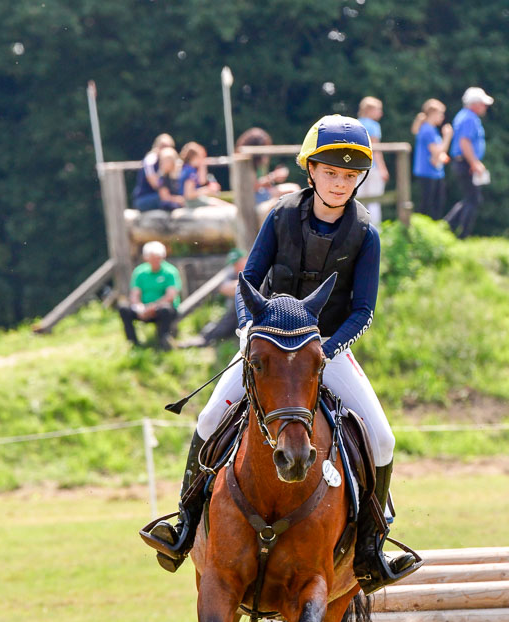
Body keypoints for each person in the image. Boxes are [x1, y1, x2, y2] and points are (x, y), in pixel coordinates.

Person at [147, 114, 417, 594]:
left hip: (323, 352)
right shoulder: (280, 216)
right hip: (268, 348)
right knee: (209, 418)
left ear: (360, 180)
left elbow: (363, 311)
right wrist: (251, 332)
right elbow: (246, 281)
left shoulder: (367, 235)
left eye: (350, 176)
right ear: (310, 171)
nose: (339, 183)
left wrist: (326, 351)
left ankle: (373, 546)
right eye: (330, 173)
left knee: (383, 437)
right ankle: (186, 524)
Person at [444, 87, 494, 238]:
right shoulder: (469, 118)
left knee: (470, 198)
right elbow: (465, 142)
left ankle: (448, 227)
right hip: (466, 163)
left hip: (464, 162)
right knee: (473, 199)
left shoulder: (465, 116)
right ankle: (461, 234)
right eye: (483, 103)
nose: (485, 107)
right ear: (474, 103)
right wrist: (474, 163)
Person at [118, 240, 181, 350]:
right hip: (144, 308)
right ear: (146, 258)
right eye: (152, 258)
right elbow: (134, 294)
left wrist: (153, 307)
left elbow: (170, 296)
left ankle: (164, 342)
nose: (155, 261)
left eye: (158, 258)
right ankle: (133, 343)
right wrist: (139, 307)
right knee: (123, 308)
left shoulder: (170, 272)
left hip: (161, 309)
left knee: (165, 309)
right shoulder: (140, 272)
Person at [411, 99, 453, 220]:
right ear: (433, 113)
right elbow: (437, 151)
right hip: (427, 172)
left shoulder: (431, 129)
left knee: (437, 203)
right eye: (441, 113)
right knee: (428, 205)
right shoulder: (428, 130)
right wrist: (447, 137)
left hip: (435, 172)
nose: (442, 117)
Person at [235, 127, 300, 204]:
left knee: (294, 189)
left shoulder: (260, 162)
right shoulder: (245, 163)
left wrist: (273, 179)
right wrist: (273, 176)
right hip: (252, 198)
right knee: (293, 190)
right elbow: (252, 187)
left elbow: (263, 184)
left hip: (262, 193)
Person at [356, 97, 389, 226]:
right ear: (369, 110)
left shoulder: (356, 123)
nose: (380, 113)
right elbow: (376, 149)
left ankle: (358, 226)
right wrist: (383, 169)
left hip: (357, 166)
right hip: (372, 167)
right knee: (374, 200)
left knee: (358, 199)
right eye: (378, 110)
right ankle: (376, 230)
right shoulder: (374, 126)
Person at [132, 133, 178, 212]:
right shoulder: (150, 160)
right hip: (144, 199)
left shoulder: (171, 161)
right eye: (163, 147)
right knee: (166, 200)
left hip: (159, 196)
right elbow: (156, 184)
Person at [178, 142, 232, 206]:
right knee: (223, 206)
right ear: (195, 157)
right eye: (201, 157)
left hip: (191, 201)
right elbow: (189, 195)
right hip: (190, 203)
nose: (203, 159)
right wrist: (207, 190)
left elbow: (202, 181)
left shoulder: (187, 168)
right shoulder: (190, 171)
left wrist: (202, 166)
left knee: (221, 204)